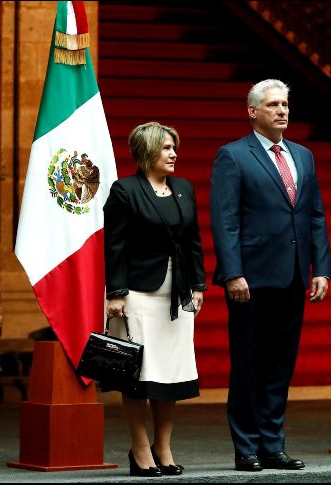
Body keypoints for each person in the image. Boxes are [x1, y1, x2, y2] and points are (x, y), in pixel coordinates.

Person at [209, 79, 331, 472]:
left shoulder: (304, 156)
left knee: (280, 365)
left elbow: (314, 215)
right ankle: (245, 447)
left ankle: (272, 445)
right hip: (251, 279)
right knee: (249, 364)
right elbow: (225, 220)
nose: (282, 110)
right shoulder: (233, 155)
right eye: (273, 105)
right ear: (253, 112)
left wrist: (321, 268)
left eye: (285, 104)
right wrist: (232, 273)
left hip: (294, 276)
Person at [103, 121, 207, 477]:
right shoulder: (125, 191)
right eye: (166, 148)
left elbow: (192, 242)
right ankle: (140, 449)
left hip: (176, 296)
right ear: (147, 152)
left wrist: (198, 286)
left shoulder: (184, 189)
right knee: (139, 376)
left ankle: (164, 447)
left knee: (171, 375)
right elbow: (114, 246)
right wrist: (115, 293)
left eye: (173, 147)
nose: (174, 153)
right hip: (136, 295)